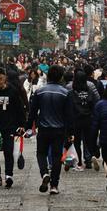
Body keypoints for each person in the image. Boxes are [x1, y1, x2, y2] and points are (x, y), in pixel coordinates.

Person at [26, 65, 73, 195]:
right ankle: (54, 185)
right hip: (59, 130)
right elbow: (69, 114)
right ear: (61, 77)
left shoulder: (40, 92)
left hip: (44, 129)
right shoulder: (65, 93)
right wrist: (70, 132)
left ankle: (44, 173)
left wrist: (28, 127)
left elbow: (32, 112)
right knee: (57, 157)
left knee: (41, 153)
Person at [69, 71, 99, 171]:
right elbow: (95, 105)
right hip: (88, 119)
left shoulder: (71, 93)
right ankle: (89, 159)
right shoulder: (90, 91)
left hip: (76, 120)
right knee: (88, 140)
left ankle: (80, 162)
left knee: (77, 141)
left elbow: (69, 108)